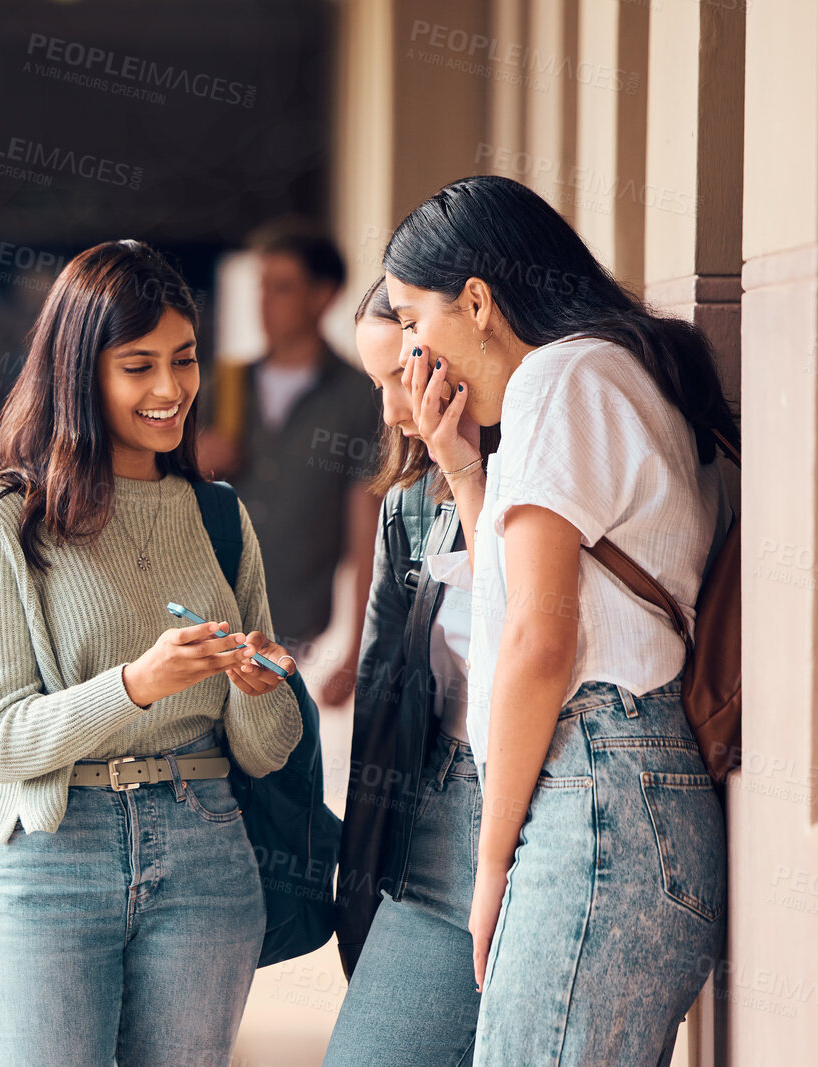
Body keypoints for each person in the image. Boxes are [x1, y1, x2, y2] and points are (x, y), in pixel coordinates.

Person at [385, 175, 736, 1066]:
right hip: (627, 792)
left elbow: (539, 642)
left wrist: (491, 860)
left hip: (592, 800)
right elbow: (519, 595)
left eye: (412, 320)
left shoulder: (559, 378)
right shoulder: (612, 370)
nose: (412, 356)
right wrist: (464, 467)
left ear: (477, 300)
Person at [0, 239, 301, 1065]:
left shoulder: (216, 515)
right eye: (137, 365)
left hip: (205, 846)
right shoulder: (7, 519)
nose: (170, 389)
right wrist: (136, 686)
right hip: (51, 856)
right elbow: (0, 739)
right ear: (80, 372)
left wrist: (255, 686)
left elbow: (269, 747)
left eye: (183, 360)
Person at [324, 276, 489, 1065]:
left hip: (566, 816)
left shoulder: (560, 459)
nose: (391, 410)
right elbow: (382, 715)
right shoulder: (410, 504)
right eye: (376, 384)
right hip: (442, 820)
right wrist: (362, 885)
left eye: (400, 375)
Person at [198, 221, 381, 707]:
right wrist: (194, 459)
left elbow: (370, 532)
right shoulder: (224, 386)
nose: (264, 303)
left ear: (323, 296)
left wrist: (356, 649)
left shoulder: (362, 398)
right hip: (206, 625)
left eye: (281, 288)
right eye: (262, 287)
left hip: (301, 638)